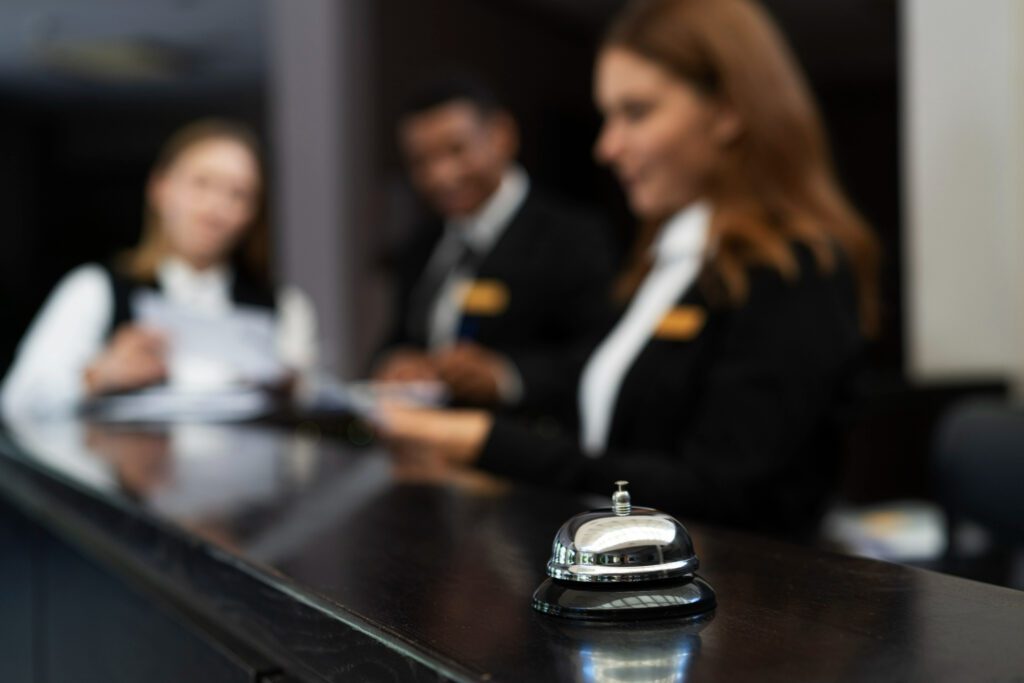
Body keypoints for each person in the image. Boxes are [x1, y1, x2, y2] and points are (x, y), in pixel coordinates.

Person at [377, 0, 880, 536]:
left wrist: (485, 443)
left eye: (636, 112)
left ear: (729, 109)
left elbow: (720, 493)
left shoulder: (795, 268)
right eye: (608, 116)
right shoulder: (667, 258)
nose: (607, 147)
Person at [1, 119, 318, 418]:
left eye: (238, 194)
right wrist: (98, 375)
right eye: (201, 184)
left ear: (253, 213)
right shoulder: (97, 289)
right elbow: (18, 401)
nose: (215, 208)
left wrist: (294, 394)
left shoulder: (286, 307)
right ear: (160, 188)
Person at [373, 77, 615, 414]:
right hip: (426, 442)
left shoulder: (573, 237)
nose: (440, 176)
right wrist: (395, 363)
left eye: (456, 150)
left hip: (522, 444)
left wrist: (506, 377)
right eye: (421, 162)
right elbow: (400, 336)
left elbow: (600, 354)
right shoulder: (421, 245)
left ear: (502, 135)